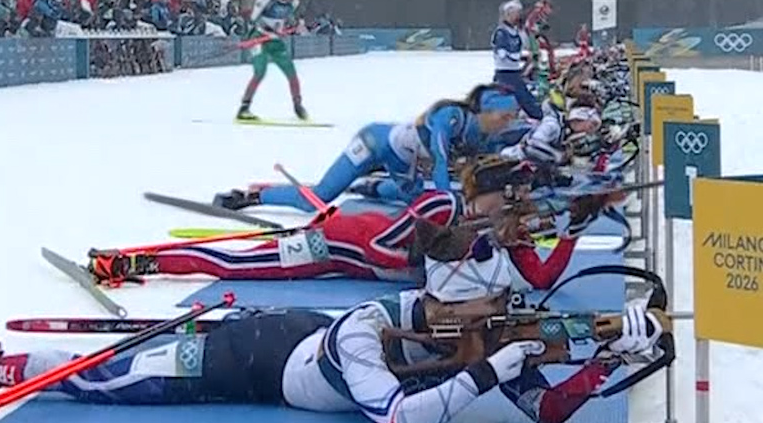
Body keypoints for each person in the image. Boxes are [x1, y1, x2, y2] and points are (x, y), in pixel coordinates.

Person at [0, 242, 665, 423]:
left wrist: (610, 356)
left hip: (293, 335)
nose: (504, 314)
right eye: (490, 303)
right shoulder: (367, 329)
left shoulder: (489, 335)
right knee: (106, 379)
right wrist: (492, 370)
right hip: (254, 363)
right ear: (443, 304)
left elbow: (550, 411)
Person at [88, 156, 609, 290]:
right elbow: (381, 250)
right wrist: (453, 254)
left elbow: (540, 278)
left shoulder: (496, 233)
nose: (514, 204)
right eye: (509, 195)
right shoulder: (441, 207)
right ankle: (135, 260)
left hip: (346, 257)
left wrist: (570, 232)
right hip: (335, 242)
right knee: (232, 266)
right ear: (488, 193)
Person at [226, 86, 522, 213]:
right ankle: (253, 196)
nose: (506, 124)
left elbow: (508, 149)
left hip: (398, 161)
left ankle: (369, 187)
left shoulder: (484, 136)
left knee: (418, 200)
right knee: (317, 200)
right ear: (487, 111)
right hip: (372, 143)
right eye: (505, 117)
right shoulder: (453, 116)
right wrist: (449, 201)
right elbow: (441, 160)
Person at [236, 0, 307, 122]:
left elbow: (288, 19)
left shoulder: (294, 1)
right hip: (258, 37)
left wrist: (296, 25)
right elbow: (254, 19)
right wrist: (270, 31)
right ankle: (244, 108)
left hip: (275, 41)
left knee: (291, 72)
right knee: (260, 71)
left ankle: (298, 106)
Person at [491, 0, 543, 119]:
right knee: (522, 96)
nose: (518, 16)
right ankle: (538, 116)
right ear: (508, 14)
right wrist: (520, 57)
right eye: (516, 13)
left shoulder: (515, 31)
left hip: (515, 72)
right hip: (505, 74)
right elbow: (503, 54)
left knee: (527, 94)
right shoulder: (501, 33)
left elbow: (524, 45)